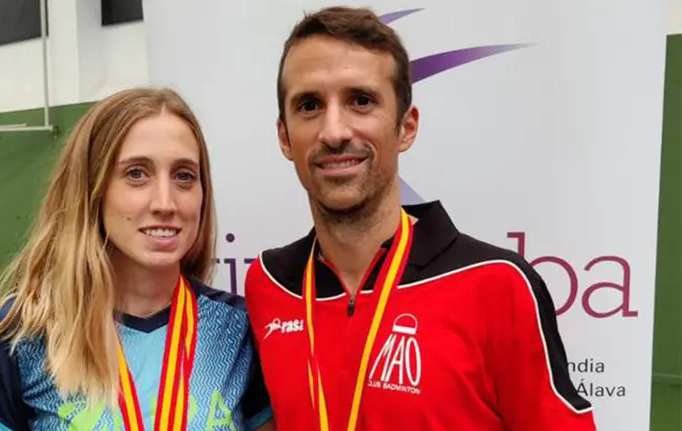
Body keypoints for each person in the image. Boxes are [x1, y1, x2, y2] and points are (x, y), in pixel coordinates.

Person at [243, 6, 597, 431]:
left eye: (361, 100)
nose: (334, 131)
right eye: (310, 104)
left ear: (406, 127)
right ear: (285, 136)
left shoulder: (498, 284)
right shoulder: (269, 284)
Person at [0, 87, 275, 431]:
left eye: (184, 176)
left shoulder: (238, 330)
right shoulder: (24, 331)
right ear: (93, 189)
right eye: (136, 173)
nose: (165, 203)